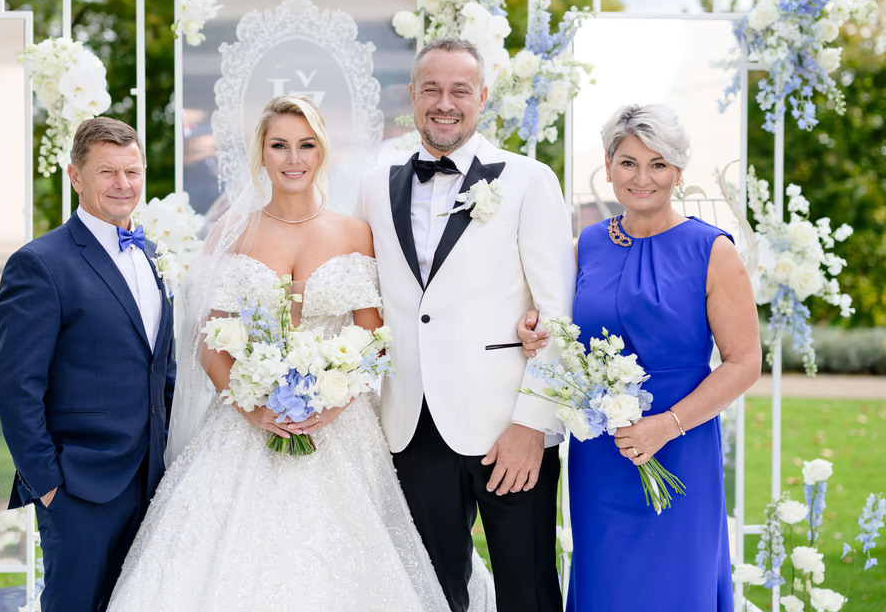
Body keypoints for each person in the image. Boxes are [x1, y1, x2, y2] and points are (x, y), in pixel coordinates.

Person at [107, 96, 471, 611]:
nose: (292, 158)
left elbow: (372, 337)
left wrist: (334, 402)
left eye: (305, 145)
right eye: (279, 145)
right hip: (244, 426)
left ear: (322, 152)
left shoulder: (355, 232)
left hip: (340, 429)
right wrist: (252, 405)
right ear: (261, 153)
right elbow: (211, 341)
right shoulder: (231, 235)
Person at [358, 37, 576, 612]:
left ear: (482, 98)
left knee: (527, 591)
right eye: (431, 88)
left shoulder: (529, 180)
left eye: (460, 90)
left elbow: (558, 314)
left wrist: (532, 424)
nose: (444, 102)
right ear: (412, 96)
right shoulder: (376, 185)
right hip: (412, 427)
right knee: (428, 594)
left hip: (508, 426)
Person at [559, 103, 760, 611]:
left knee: (678, 584)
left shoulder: (712, 250)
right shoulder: (586, 245)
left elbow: (744, 362)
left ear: (677, 172)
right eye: (628, 162)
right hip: (602, 451)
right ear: (607, 168)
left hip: (681, 445)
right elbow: (562, 334)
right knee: (605, 583)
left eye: (658, 164)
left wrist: (667, 425)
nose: (642, 177)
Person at [0, 117, 176, 612]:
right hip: (79, 486)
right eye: (107, 173)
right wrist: (47, 484)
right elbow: (16, 385)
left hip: (154, 478)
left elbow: (162, 367)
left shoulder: (157, 256)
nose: (123, 185)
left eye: (132, 172)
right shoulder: (40, 263)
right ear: (76, 177)